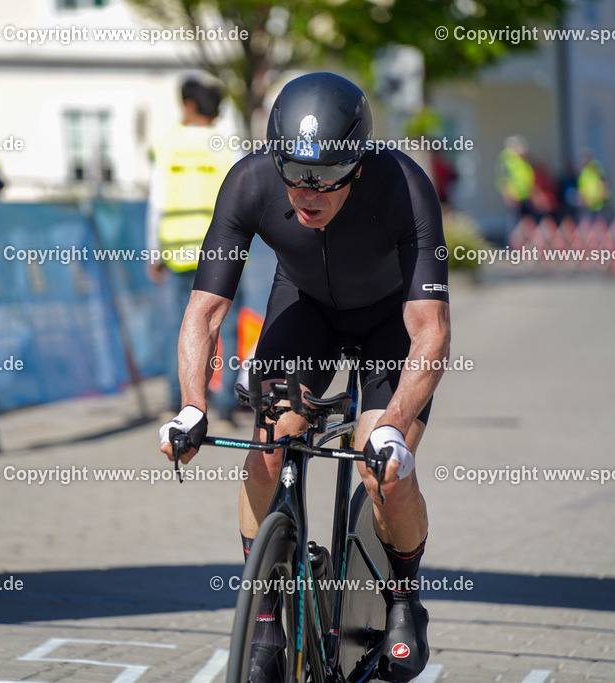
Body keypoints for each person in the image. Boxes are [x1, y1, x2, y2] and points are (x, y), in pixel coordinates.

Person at [157, 72, 450, 682]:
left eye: (326, 175)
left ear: (358, 166)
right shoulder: (250, 182)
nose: (307, 191)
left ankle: (404, 599)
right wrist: (192, 406)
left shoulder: (404, 185)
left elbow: (431, 332)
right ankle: (265, 617)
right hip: (305, 308)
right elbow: (204, 312)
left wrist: (393, 426)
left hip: (389, 322)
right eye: (294, 170)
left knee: (383, 470)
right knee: (268, 450)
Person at [146, 76, 240, 421]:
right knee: (225, 324)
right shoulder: (228, 144)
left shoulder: (166, 145)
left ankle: (180, 399)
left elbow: (156, 203)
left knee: (180, 325)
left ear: (188, 104)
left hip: (177, 252)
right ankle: (227, 402)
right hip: (224, 252)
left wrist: (152, 251)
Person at [495, 135, 535, 238]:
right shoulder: (507, 161)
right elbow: (503, 180)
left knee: (525, 223)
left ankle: (523, 243)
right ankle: (512, 245)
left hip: (524, 197)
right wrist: (508, 195)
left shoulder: (522, 161)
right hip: (513, 197)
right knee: (513, 223)